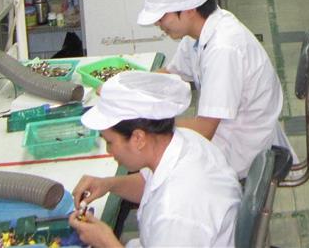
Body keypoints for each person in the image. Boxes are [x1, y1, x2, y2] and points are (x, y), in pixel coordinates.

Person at [137, 0, 294, 179]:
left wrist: (146, 126)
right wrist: (127, 89)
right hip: (229, 131)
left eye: (162, 16)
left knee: (153, 167)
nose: (158, 23)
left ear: (189, 9)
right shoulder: (199, 32)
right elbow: (171, 74)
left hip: (242, 150)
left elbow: (204, 130)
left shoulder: (223, 48)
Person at [69, 71, 240, 248]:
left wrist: (106, 241)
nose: (109, 151)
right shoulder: (183, 140)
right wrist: (108, 185)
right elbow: (151, 185)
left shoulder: (176, 212)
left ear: (138, 138)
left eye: (110, 142)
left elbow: (168, 204)